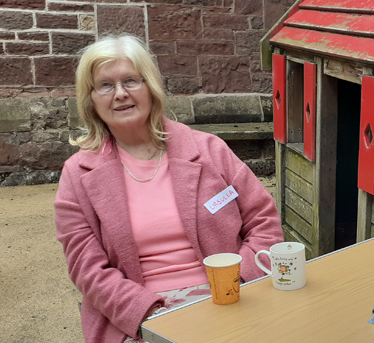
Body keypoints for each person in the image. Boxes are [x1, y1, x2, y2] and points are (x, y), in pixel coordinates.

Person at [54, 34, 284, 343]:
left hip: (232, 298)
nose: (120, 94)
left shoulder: (208, 150)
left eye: (131, 81)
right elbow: (87, 269)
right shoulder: (77, 174)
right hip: (142, 317)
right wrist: (149, 316)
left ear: (151, 87)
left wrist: (237, 282)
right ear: (91, 99)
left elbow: (263, 220)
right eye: (105, 85)